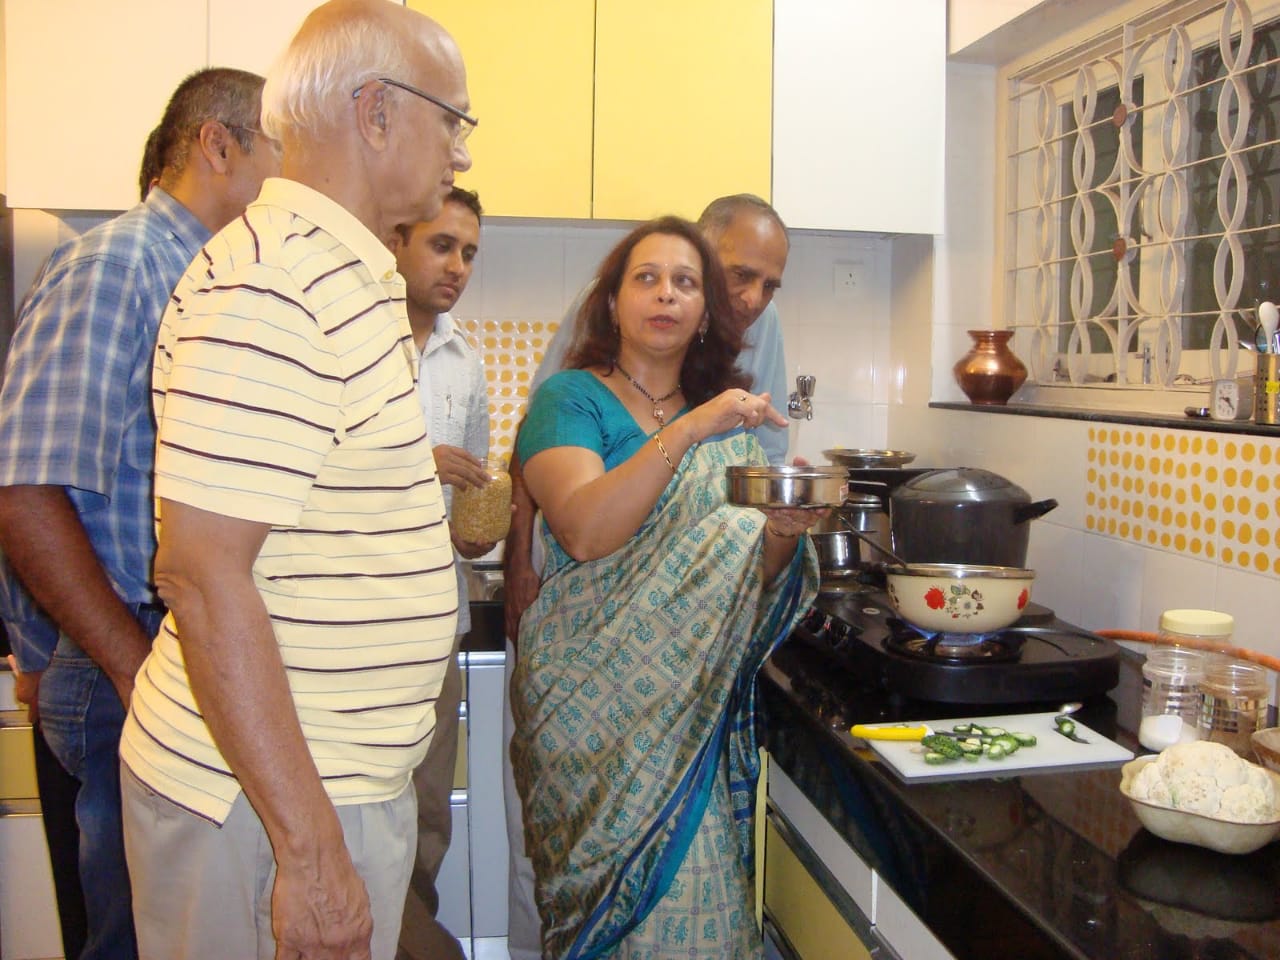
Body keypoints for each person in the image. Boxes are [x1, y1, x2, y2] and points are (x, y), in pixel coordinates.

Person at [116, 3, 474, 958]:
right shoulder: (275, 286)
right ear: (376, 111)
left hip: (318, 787)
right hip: (269, 808)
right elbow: (200, 571)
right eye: (455, 120)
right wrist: (311, 852)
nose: (463, 155)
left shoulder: (338, 274)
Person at [0, 66, 275, 960]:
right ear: (219, 144)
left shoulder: (202, 277)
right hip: (141, 658)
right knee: (137, 940)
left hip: (167, 656)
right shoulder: (119, 266)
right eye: (278, 149)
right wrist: (120, 663)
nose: (292, 176)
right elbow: (25, 490)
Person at [509, 216, 822, 958]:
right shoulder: (570, 400)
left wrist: (782, 527)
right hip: (587, 712)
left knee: (703, 904)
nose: (665, 295)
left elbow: (747, 573)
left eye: (685, 283)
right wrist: (688, 429)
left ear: (705, 312)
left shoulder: (731, 426)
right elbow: (585, 531)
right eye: (645, 278)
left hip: (686, 719)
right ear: (612, 301)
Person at [390, 186, 492, 960]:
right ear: (397, 241)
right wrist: (413, 470)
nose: (456, 266)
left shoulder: (465, 360)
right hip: (360, 624)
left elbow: (472, 513)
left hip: (440, 623)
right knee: (362, 815)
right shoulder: (357, 340)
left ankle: (411, 937)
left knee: (429, 815)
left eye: (468, 252)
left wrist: (488, 518)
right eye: (441, 245)